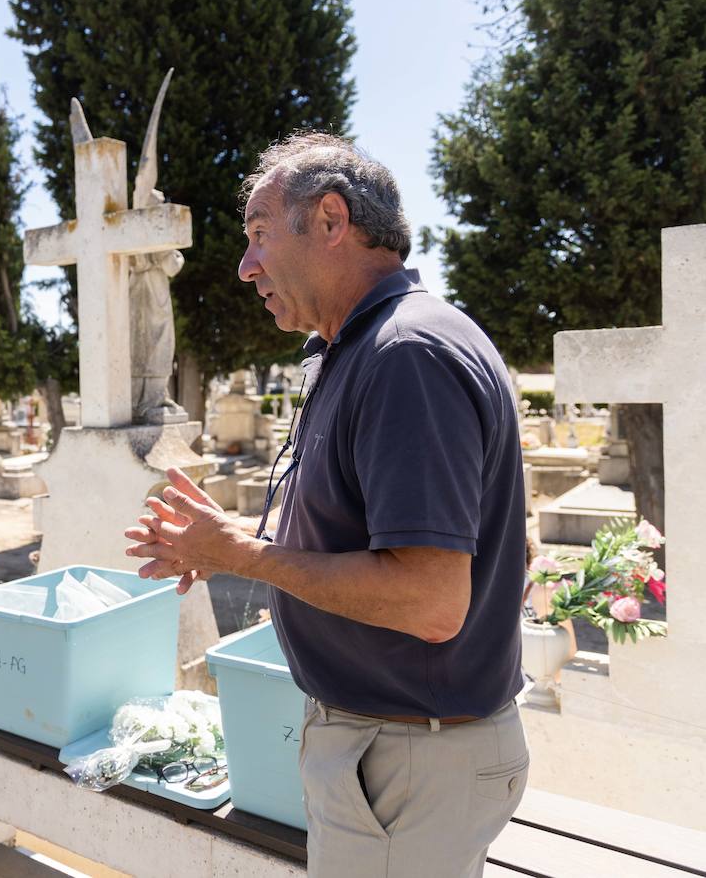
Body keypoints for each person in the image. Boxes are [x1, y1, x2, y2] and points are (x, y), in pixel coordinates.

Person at [125, 133, 528, 877]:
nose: (245, 266)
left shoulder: (408, 357)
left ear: (333, 219)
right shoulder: (359, 348)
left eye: (257, 235)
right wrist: (229, 539)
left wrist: (243, 557)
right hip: (392, 753)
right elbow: (362, 534)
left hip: (409, 761)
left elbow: (431, 600)